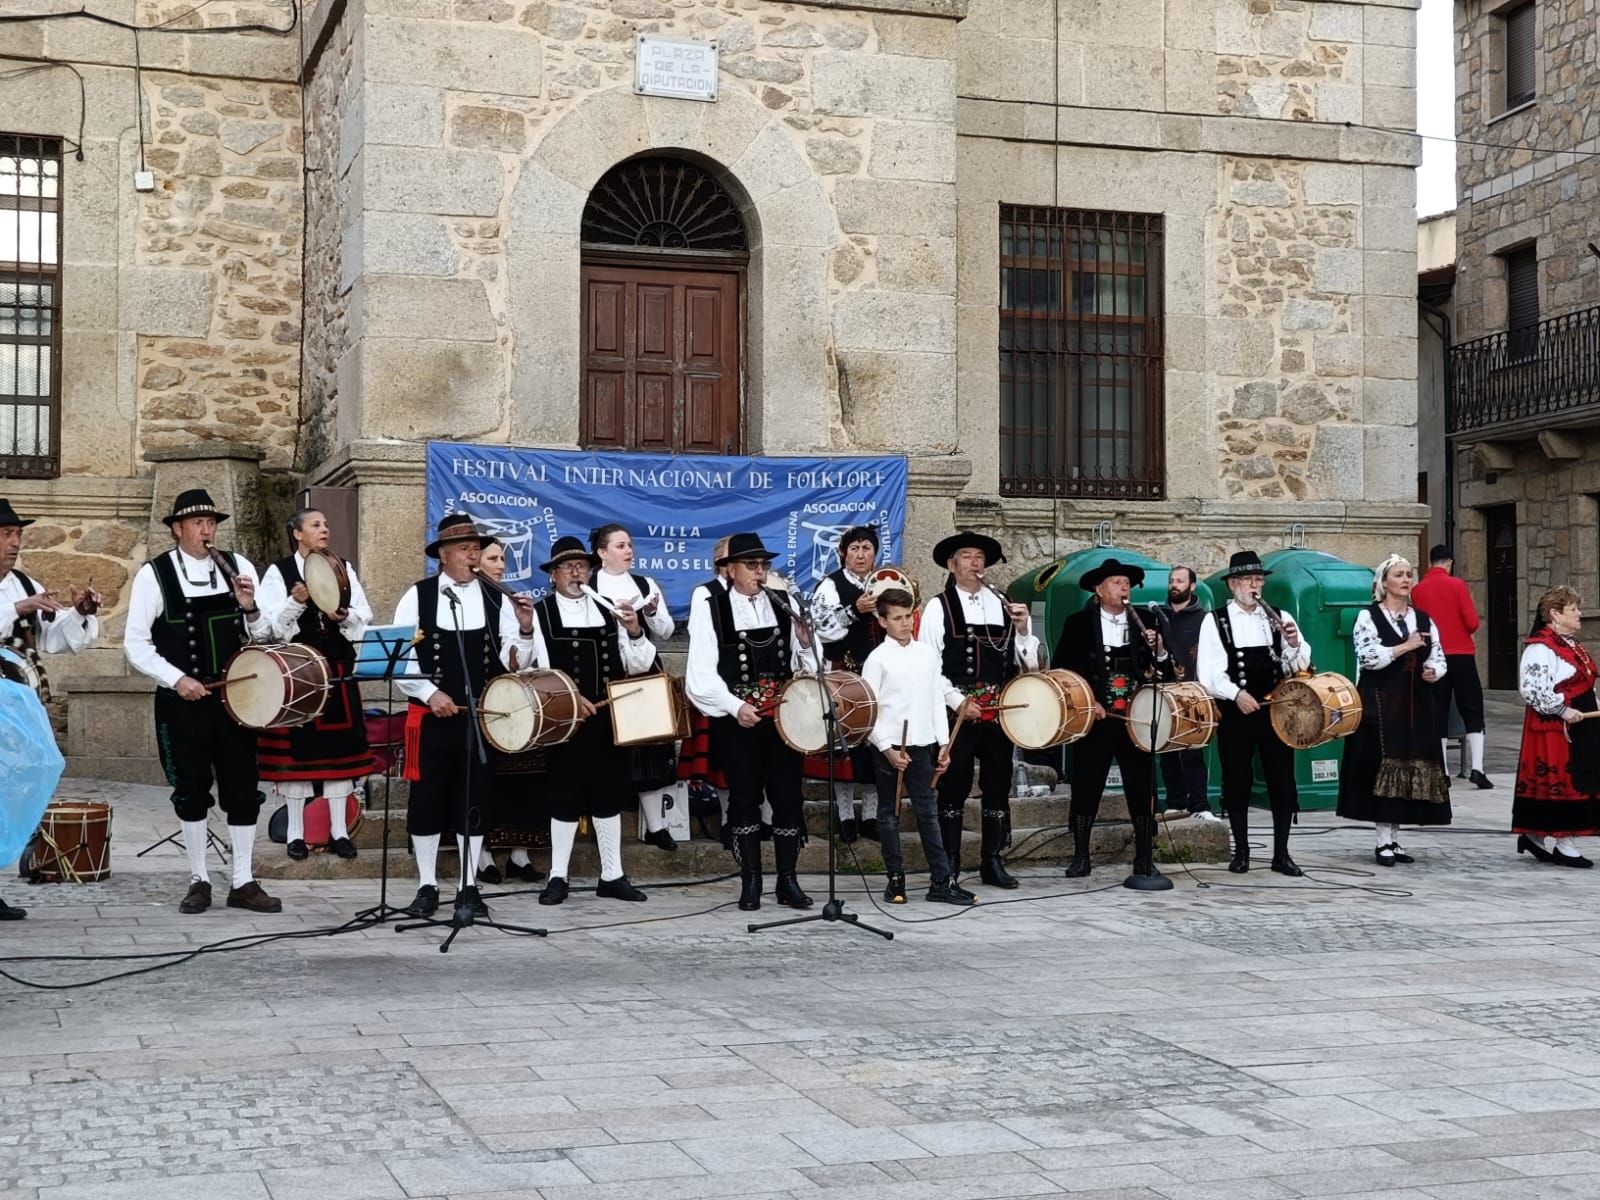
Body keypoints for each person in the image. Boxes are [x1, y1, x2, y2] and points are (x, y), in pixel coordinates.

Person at [124, 488, 282, 914]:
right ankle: (199, 879)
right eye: (197, 523)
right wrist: (178, 679)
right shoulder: (153, 575)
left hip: (236, 699)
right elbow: (135, 645)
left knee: (243, 788)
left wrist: (250, 608)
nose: (207, 530)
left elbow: (266, 637)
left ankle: (244, 881)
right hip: (182, 702)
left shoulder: (240, 567)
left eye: (211, 522)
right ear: (177, 530)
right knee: (190, 788)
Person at [391, 514, 541, 926]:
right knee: (427, 802)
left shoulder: (497, 598)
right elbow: (399, 657)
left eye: (476, 548)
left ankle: (467, 885)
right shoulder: (417, 596)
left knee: (473, 801)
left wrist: (526, 630)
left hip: (481, 719)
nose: (473, 555)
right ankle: (426, 885)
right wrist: (429, 692)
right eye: (464, 549)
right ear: (443, 555)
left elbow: (515, 661)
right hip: (431, 716)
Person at [685, 531, 814, 912]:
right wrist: (732, 704)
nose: (760, 572)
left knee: (788, 796)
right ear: (731, 570)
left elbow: (807, 663)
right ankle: (751, 882)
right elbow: (700, 675)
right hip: (738, 719)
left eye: (764, 565)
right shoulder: (712, 606)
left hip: (782, 717)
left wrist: (806, 640)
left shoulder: (783, 602)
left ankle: (788, 881)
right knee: (745, 799)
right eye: (752, 565)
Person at [534, 536, 655, 905]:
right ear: (553, 575)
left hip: (605, 719)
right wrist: (572, 700)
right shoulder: (541, 613)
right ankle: (557, 876)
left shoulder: (607, 609)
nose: (576, 572)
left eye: (582, 566)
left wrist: (634, 630)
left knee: (608, 794)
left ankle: (612, 875)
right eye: (568, 567)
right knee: (564, 796)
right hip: (564, 720)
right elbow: (536, 670)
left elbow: (639, 664)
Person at [918, 531, 1039, 889]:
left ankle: (992, 860)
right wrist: (958, 701)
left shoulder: (1004, 604)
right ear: (952, 565)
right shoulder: (938, 606)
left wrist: (1022, 630)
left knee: (998, 785)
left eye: (979, 557)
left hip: (999, 712)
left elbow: (1027, 665)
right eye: (967, 557)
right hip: (957, 713)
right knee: (953, 787)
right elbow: (928, 666)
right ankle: (949, 864)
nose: (975, 563)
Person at [254, 508, 374, 861]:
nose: (324, 529)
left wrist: (345, 615)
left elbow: (363, 617)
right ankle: (296, 833)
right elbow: (270, 627)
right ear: (297, 533)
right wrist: (296, 601)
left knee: (339, 754)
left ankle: (339, 832)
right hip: (298, 674)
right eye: (316, 525)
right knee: (299, 757)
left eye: (326, 523)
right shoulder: (279, 571)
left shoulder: (343, 568)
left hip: (337, 670)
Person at [1, 497, 100, 921]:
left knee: (10, 792)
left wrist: (79, 612)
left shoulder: (24, 582)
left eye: (17, 534)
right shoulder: (18, 597)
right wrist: (14, 610)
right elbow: (17, 615)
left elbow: (57, 638)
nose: (14, 542)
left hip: (18, 709)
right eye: (6, 534)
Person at [1052, 559, 1174, 888]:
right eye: (1117, 582)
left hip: (1135, 718)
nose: (1124, 588)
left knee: (1142, 784)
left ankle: (1144, 856)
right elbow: (1062, 671)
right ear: (1099, 589)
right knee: (1087, 784)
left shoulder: (1146, 620)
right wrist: (1087, 701)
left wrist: (1159, 650)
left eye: (1126, 583)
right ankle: (1081, 855)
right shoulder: (1078, 623)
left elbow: (1167, 671)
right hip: (1097, 718)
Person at [1196, 550, 1311, 876]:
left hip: (1276, 711)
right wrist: (1237, 694)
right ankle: (1242, 851)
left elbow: (1299, 666)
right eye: (1248, 580)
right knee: (1237, 781)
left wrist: (1292, 644)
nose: (1254, 586)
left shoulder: (1279, 616)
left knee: (1282, 780)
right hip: (1238, 711)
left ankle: (1282, 854)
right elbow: (1209, 673)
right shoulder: (1215, 620)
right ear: (1233, 584)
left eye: (1258, 580)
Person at [860, 588, 976, 905]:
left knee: (928, 812)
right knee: (889, 814)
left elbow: (935, 700)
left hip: (923, 743)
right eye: (896, 618)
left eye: (908, 616)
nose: (905, 623)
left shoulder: (926, 654)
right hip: (891, 745)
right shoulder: (877, 659)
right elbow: (868, 711)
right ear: (882, 621)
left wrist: (943, 744)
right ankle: (895, 879)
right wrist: (886, 749)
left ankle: (941, 880)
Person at [1336, 555, 1450, 865]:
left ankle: (1395, 839)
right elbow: (1369, 657)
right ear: (1384, 582)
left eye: (1409, 575)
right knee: (1381, 768)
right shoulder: (1368, 617)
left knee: (1407, 767)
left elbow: (1439, 655)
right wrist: (1405, 646)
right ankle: (1382, 840)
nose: (1406, 580)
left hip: (1416, 703)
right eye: (1399, 575)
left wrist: (1433, 671)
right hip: (1380, 703)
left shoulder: (1424, 619)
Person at [590, 523, 678, 852]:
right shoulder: (589, 585)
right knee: (608, 750)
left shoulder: (644, 584)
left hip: (643, 672)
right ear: (602, 552)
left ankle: (656, 826)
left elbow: (667, 632)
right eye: (620, 545)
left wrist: (652, 614)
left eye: (629, 545)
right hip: (605, 674)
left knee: (649, 747)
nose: (629, 551)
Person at [474, 536, 545, 885]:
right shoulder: (468, 596)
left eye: (503, 557)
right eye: (494, 557)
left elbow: (515, 654)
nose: (501, 564)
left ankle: (520, 853)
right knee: (483, 778)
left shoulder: (508, 598)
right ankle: (483, 854)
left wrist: (525, 630)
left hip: (510, 694)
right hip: (478, 697)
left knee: (522, 774)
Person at [1513, 585, 1600, 868]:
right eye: (1573, 610)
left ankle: (1534, 835)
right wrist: (1562, 709)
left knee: (1580, 778)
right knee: (1561, 781)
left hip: (1580, 724)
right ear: (1554, 614)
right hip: (1553, 727)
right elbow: (1532, 690)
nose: (1579, 615)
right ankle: (1564, 842)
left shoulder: (1571, 645)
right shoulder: (1541, 647)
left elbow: (1583, 683)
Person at [810, 524, 885, 843]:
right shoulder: (830, 585)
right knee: (844, 748)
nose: (860, 554)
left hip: (879, 676)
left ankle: (869, 816)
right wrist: (855, 610)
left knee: (874, 747)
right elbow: (822, 627)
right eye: (854, 548)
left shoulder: (885, 583)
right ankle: (844, 817)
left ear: (875, 554)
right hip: (843, 674)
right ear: (843, 553)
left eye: (866, 548)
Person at [1412, 544, 1492, 788]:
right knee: (1472, 708)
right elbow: (1471, 623)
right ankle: (1477, 768)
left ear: (1431, 562)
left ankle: (1442, 771)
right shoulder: (1457, 585)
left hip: (1433, 656)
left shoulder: (1417, 590)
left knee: (1438, 710)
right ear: (1450, 562)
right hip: (1461, 655)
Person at [1157, 565, 1213, 818]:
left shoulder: (1204, 619)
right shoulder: (1158, 616)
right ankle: (1175, 803)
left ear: (1192, 586)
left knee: (1193, 752)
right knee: (1167, 751)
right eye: (1171, 580)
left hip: (1193, 694)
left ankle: (1200, 805)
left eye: (1180, 581)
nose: (1174, 585)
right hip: (1164, 691)